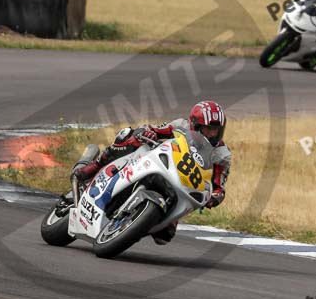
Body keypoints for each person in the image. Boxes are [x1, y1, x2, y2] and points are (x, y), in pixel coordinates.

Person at [71, 100, 231, 245]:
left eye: (216, 130)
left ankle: (131, 225)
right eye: (209, 128)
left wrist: (215, 196)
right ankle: (92, 167)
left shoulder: (222, 154)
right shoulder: (181, 125)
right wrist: (147, 132)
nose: (212, 134)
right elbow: (155, 129)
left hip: (181, 185)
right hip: (158, 162)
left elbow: (219, 185)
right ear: (195, 124)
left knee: (165, 235)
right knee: (126, 135)